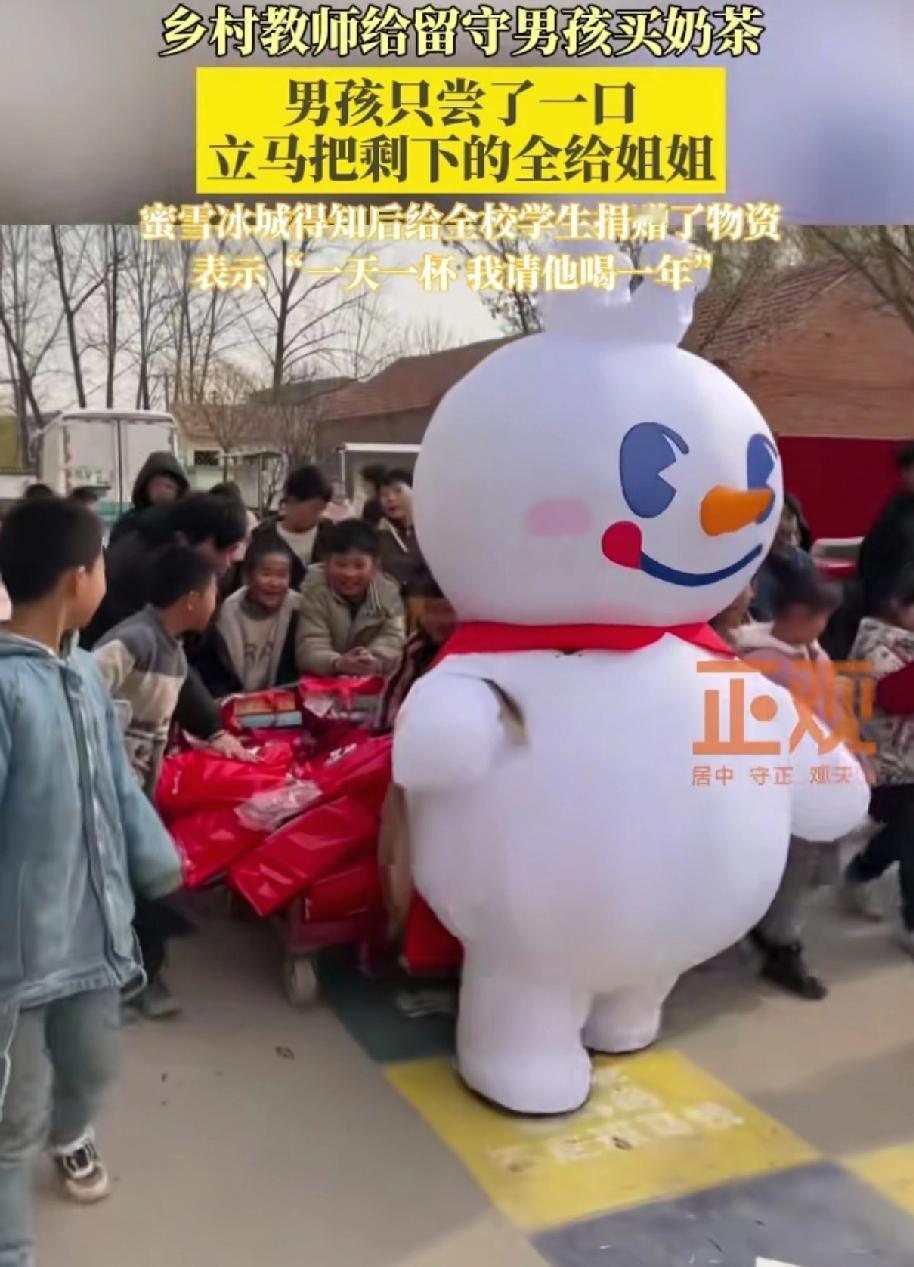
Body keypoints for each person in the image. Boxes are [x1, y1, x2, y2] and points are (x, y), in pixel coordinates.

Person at [0, 496, 181, 1260]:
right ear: (79, 577)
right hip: (15, 958)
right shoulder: (7, 689)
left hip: (93, 934)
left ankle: (70, 1132)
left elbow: (116, 785)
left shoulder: (80, 674)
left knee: (95, 1065)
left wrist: (156, 859)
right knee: (11, 1113)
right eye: (102, 564)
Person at [92, 546, 218, 1018]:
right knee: (140, 887)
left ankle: (135, 975)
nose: (216, 601)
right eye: (213, 591)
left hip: (135, 792)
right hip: (111, 790)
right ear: (192, 598)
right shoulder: (136, 640)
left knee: (137, 885)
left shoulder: (173, 652)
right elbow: (84, 689)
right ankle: (136, 979)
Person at [736, 563, 844, 998]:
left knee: (806, 863)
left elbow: (833, 713)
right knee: (788, 861)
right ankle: (779, 940)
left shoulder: (814, 654)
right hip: (777, 781)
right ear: (798, 613)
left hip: (816, 777)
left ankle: (775, 931)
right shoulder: (759, 663)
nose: (824, 627)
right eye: (821, 617)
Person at [82, 493, 248, 756]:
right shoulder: (140, 598)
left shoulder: (168, 560)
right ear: (184, 540)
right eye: (222, 551)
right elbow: (89, 684)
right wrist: (212, 727)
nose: (226, 564)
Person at [839, 567, 914, 950]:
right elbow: (894, 698)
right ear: (898, 605)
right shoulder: (877, 646)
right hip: (885, 766)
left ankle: (861, 873)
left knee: (903, 832)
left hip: (907, 761)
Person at [296, 520, 406, 678]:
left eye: (359, 566)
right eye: (341, 564)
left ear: (375, 565)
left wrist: (372, 659)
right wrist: (338, 663)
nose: (349, 573)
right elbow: (309, 644)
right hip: (323, 682)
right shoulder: (314, 591)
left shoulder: (388, 594)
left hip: (373, 680)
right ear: (326, 563)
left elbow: (393, 638)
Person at [197, 538, 302, 697]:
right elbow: (214, 677)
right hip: (235, 703)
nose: (274, 583)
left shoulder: (298, 610)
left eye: (282, 575)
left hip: (285, 702)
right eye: (266, 574)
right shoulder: (224, 614)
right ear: (247, 577)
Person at [377, 573, 457, 732]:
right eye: (431, 611)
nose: (437, 620)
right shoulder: (417, 646)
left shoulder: (472, 652)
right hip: (414, 728)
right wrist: (386, 730)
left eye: (447, 611)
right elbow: (395, 691)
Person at [249, 465, 334, 590]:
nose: (320, 515)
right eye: (315, 508)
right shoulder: (262, 538)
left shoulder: (330, 535)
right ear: (292, 501)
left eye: (323, 509)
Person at [857, 443, 914, 615]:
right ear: (904, 474)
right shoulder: (896, 517)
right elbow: (877, 568)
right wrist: (897, 605)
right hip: (895, 600)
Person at [750, 493, 814, 622]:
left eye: (788, 516)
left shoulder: (803, 561)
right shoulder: (751, 566)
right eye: (778, 516)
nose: (784, 525)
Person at [108, 451, 189, 547]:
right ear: (145, 489)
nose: (163, 491)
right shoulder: (129, 523)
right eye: (157, 485)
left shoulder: (187, 522)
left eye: (168, 486)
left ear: (179, 490)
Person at [377, 469, 427, 594]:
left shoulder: (432, 532)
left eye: (398, 491)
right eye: (384, 494)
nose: (390, 498)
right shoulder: (376, 537)